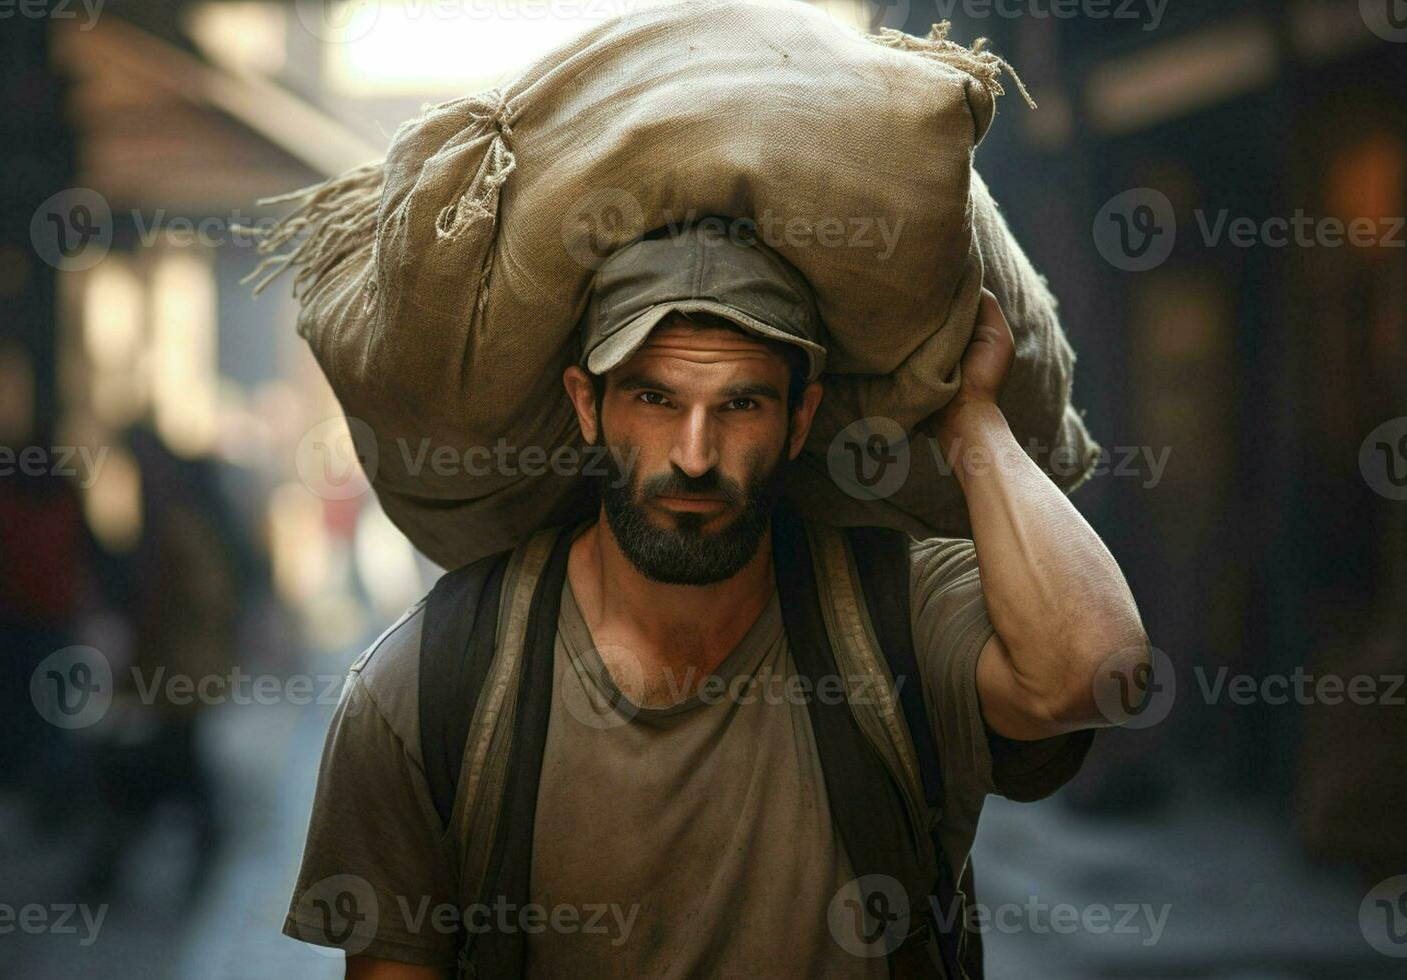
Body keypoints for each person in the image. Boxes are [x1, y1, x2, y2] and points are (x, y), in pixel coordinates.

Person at [281, 222, 1149, 978]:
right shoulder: (433, 688)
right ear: (588, 406)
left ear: (799, 420)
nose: (695, 455)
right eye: (656, 398)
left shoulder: (893, 615)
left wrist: (971, 418)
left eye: (740, 404)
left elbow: (1093, 674)